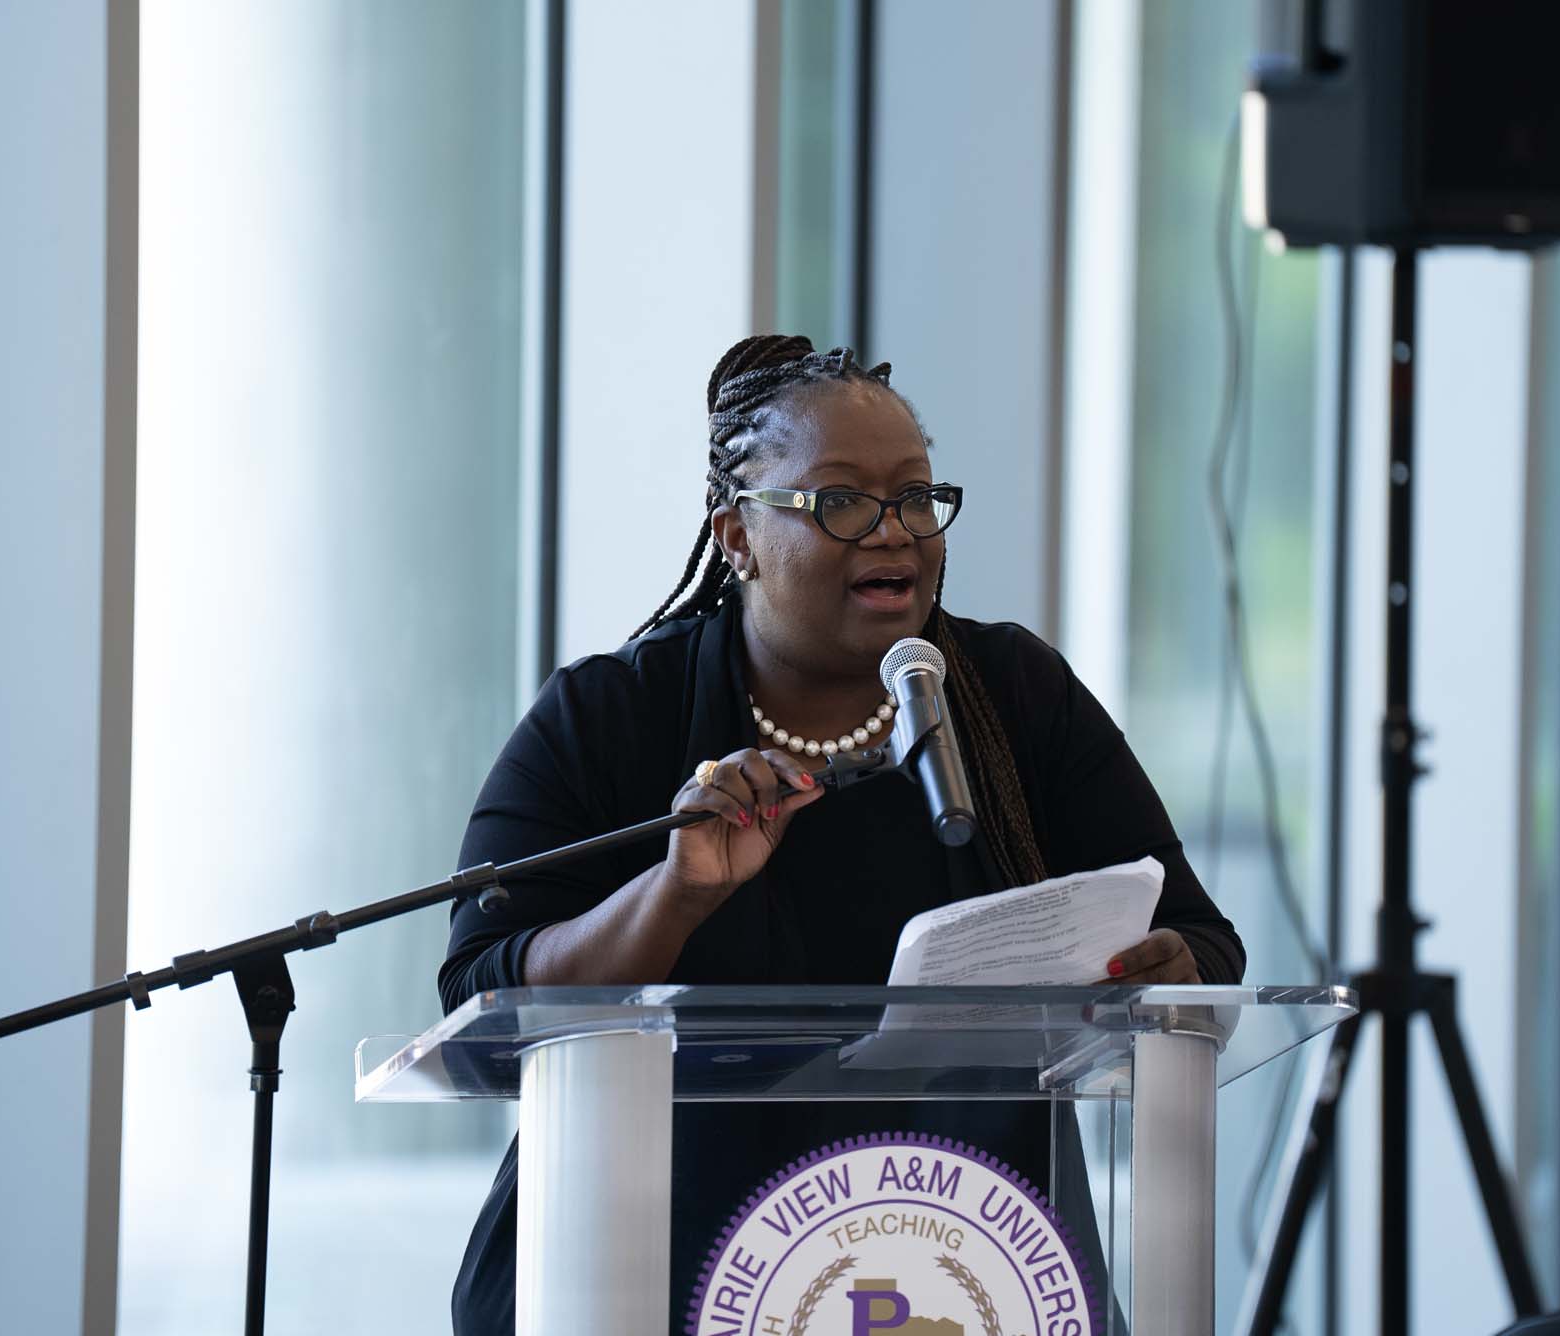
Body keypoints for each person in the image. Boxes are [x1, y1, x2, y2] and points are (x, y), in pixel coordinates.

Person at [438, 334, 1244, 1332]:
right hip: (645, 1282)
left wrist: (1162, 973)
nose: (894, 532)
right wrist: (673, 894)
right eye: (840, 501)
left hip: (965, 1274)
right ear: (734, 534)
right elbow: (481, 1004)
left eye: (914, 496)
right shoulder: (609, 718)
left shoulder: (1014, 698)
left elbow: (1199, 941)